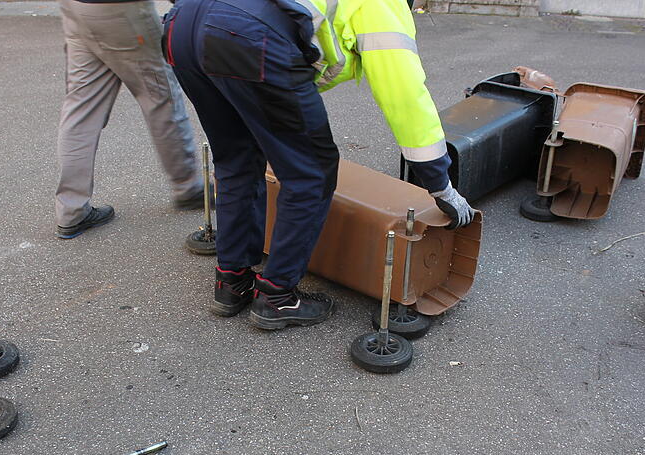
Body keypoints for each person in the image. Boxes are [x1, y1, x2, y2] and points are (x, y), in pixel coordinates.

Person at [163, 0, 475, 328]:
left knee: (237, 157)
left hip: (183, 24)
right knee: (311, 172)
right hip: (247, 34)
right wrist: (440, 184)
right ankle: (277, 297)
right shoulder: (383, 7)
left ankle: (232, 281)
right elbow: (405, 98)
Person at [54, 0, 209, 239]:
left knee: (81, 110)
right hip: (123, 13)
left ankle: (71, 210)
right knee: (161, 99)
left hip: (76, 9)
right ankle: (188, 186)